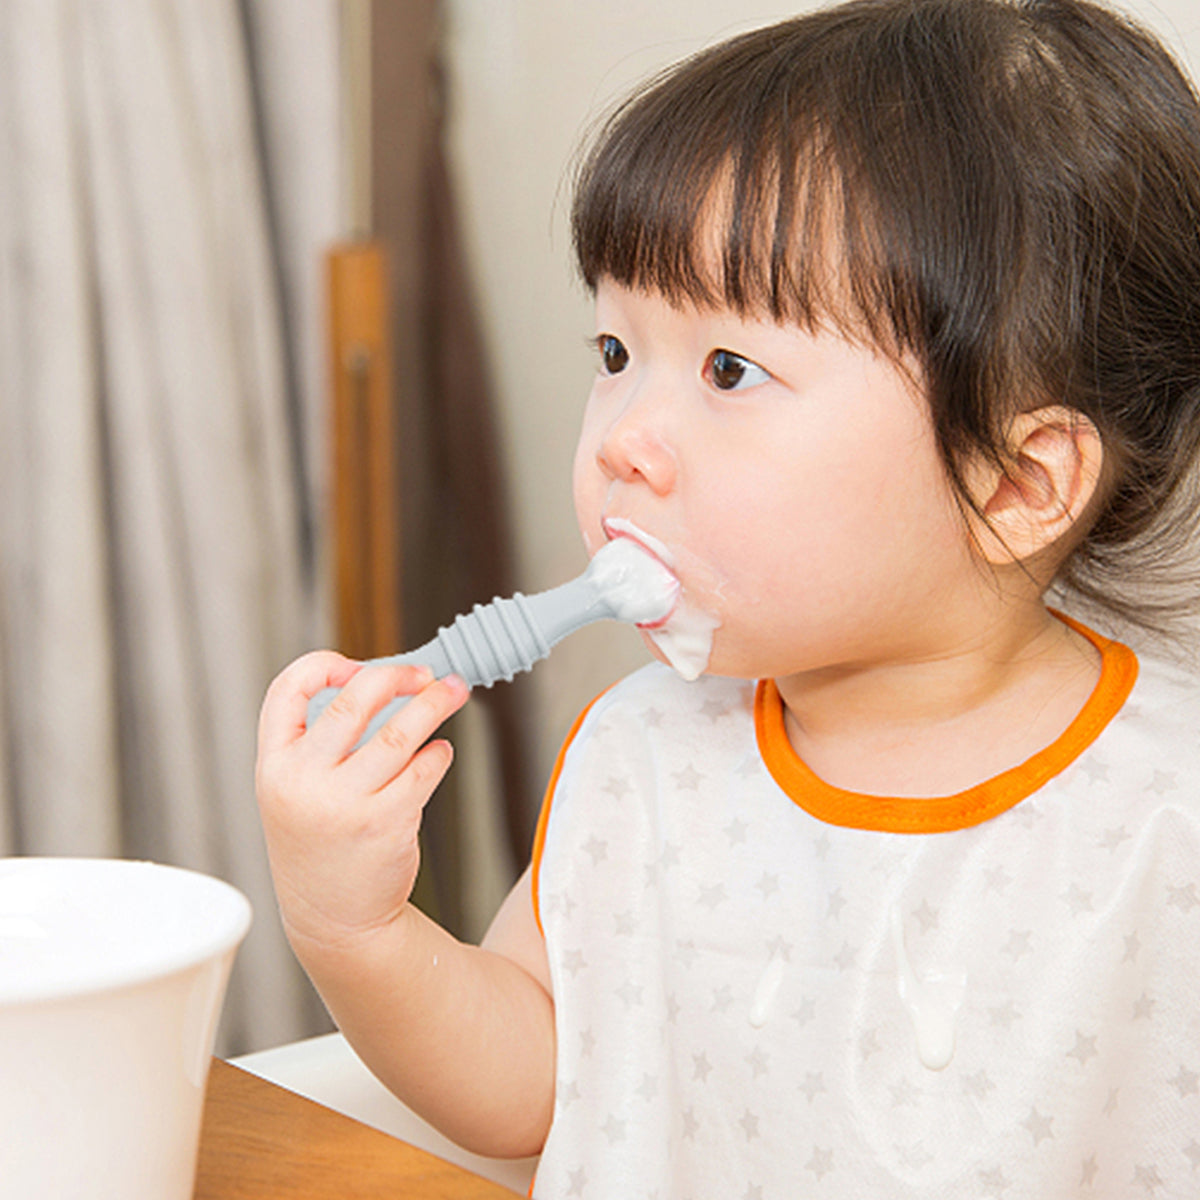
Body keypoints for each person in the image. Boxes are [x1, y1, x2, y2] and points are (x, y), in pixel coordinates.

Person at [255, 0, 1200, 1193]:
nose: (624, 442)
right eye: (614, 355)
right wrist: (353, 928)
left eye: (730, 371)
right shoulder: (643, 760)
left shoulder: (1169, 814)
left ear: (1014, 481)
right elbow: (530, 1085)